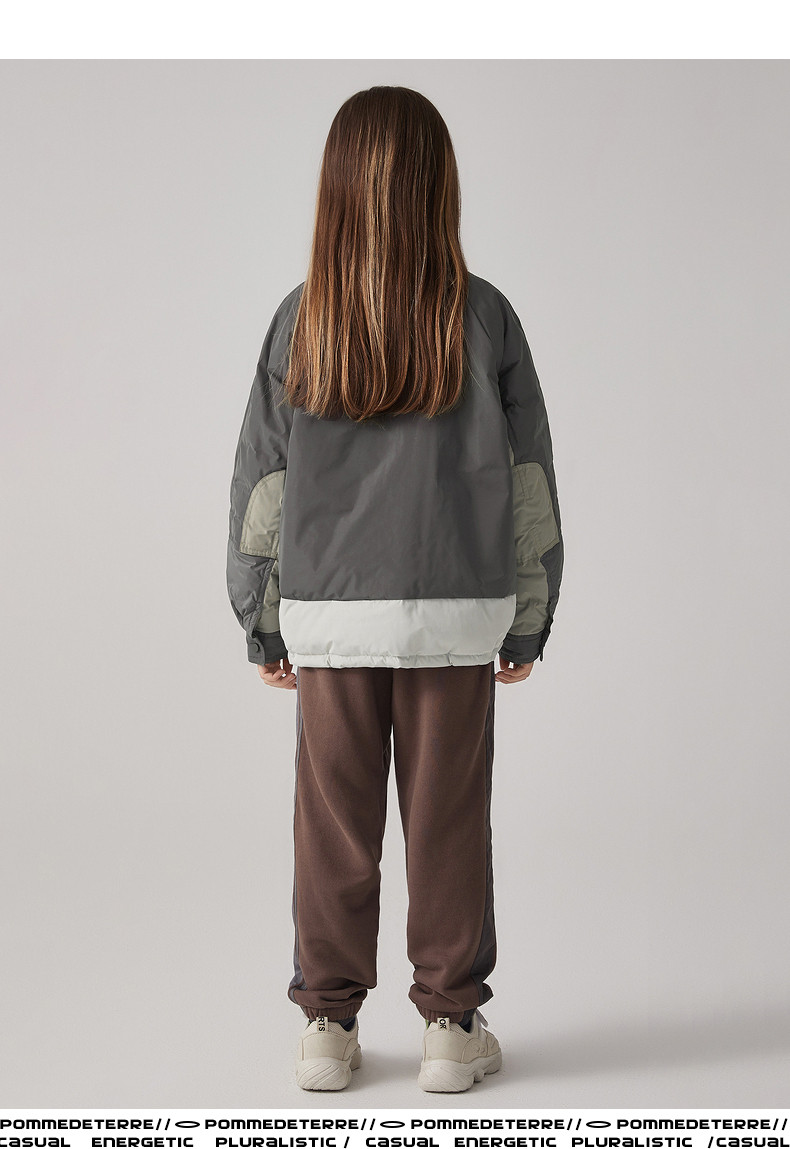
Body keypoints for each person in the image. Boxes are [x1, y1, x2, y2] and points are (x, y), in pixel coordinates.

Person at [226, 85, 564, 1093]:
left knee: (332, 827)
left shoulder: (303, 318)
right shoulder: (484, 315)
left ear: (335, 190)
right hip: (454, 614)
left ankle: (327, 1028)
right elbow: (528, 485)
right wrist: (530, 616)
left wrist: (262, 620)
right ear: (437, 186)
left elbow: (264, 487)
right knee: (448, 822)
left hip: (328, 614)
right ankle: (451, 1026)